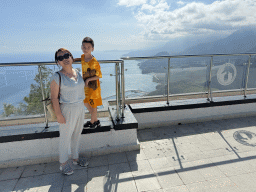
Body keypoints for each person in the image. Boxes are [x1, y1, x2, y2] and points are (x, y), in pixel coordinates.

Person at [50, 48, 89, 175]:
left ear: (71, 57)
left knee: (77, 134)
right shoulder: (57, 76)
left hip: (79, 107)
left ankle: (76, 158)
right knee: (65, 138)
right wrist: (59, 115)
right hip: (67, 109)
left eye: (67, 55)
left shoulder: (77, 72)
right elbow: (54, 98)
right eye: (60, 58)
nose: (65, 58)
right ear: (58, 62)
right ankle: (63, 163)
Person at [81, 37, 103, 129]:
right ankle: (95, 120)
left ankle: (93, 121)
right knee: (85, 102)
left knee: (93, 105)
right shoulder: (82, 57)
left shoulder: (94, 61)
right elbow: (81, 59)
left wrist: (88, 80)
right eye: (84, 47)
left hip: (93, 87)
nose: (85, 49)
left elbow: (99, 75)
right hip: (86, 87)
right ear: (81, 47)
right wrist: (72, 60)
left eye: (88, 47)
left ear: (92, 49)